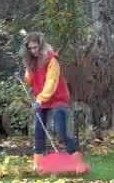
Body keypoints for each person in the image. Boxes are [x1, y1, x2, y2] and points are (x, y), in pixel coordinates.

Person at [23, 32, 81, 169]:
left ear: (41, 46)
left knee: (62, 131)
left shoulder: (51, 60)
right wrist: (27, 72)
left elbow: (51, 82)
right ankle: (39, 164)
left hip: (57, 98)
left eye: (35, 47)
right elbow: (31, 82)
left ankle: (77, 163)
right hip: (42, 100)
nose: (33, 51)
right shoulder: (32, 61)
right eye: (30, 48)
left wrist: (40, 100)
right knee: (38, 131)